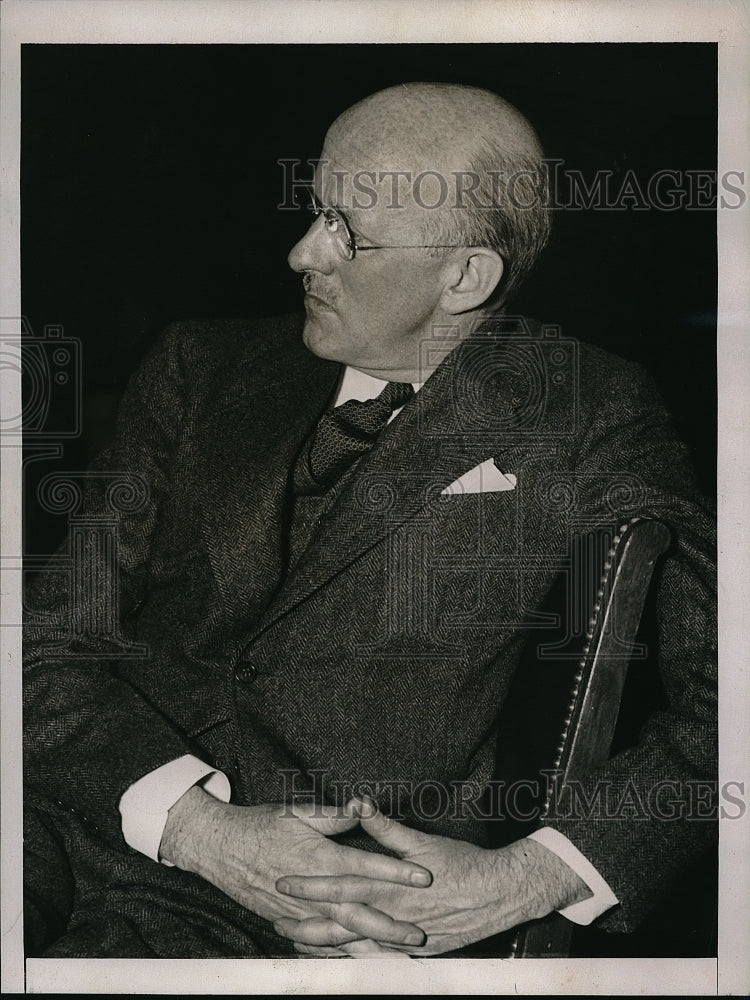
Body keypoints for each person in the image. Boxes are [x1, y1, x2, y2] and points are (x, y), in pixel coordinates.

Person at [23, 82, 717, 959]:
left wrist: (536, 874)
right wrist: (193, 823)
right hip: (64, 798)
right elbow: (47, 636)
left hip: (307, 913)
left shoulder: (582, 407)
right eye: (317, 210)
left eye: (349, 230)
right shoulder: (199, 365)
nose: (302, 251)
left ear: (465, 275)